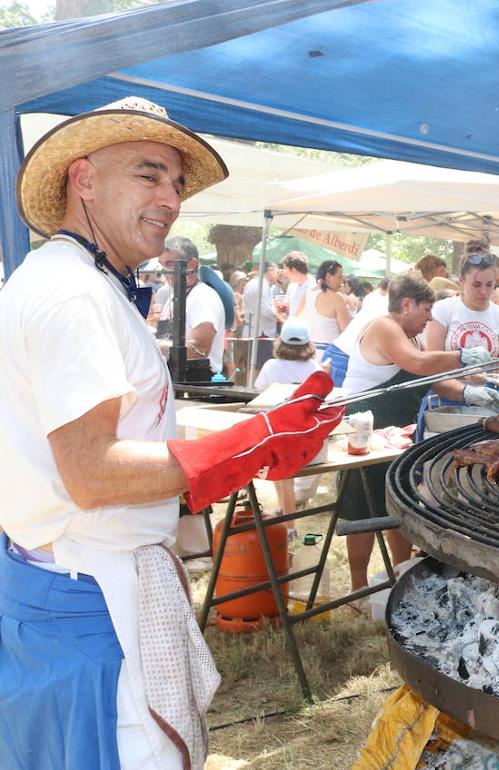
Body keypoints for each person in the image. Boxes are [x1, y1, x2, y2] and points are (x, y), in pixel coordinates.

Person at [0, 96, 341, 770]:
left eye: (177, 183)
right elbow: (92, 473)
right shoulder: (75, 294)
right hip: (92, 595)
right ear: (84, 178)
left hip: (59, 582)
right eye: (149, 175)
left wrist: (248, 437)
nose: (171, 198)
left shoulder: (72, 278)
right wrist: (243, 446)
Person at [337, 270, 499, 591]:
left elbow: (429, 378)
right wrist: (462, 356)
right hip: (364, 432)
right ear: (407, 304)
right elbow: (418, 363)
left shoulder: (410, 335)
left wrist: (467, 393)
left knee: (401, 508)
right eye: (427, 310)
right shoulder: (384, 326)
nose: (430, 317)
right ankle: (358, 590)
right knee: (360, 513)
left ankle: (398, 579)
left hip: (397, 435)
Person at [252, 319, 322, 516]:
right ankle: (285, 512)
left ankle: (289, 524)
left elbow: (258, 394)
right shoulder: (314, 367)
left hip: (276, 430)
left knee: (284, 479)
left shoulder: (271, 366)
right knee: (283, 478)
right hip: (305, 431)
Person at [426, 249, 499, 359]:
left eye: (489, 285)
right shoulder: (442, 309)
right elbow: (433, 361)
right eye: (476, 285)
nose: (483, 291)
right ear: (462, 281)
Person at [159, 236, 227, 374]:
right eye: (161, 264)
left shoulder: (203, 297)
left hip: (195, 387)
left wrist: (153, 345)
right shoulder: (175, 295)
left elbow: (199, 350)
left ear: (192, 264)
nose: (163, 271)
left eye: (170, 264)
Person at [296, 259, 351, 352]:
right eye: (340, 277)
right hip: (328, 354)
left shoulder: (306, 295)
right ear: (329, 276)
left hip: (306, 351)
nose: (342, 282)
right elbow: (347, 331)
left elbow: (296, 321)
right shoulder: (337, 298)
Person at [241, 260, 280, 369]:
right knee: (262, 367)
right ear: (270, 271)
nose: (278, 275)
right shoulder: (261, 285)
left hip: (254, 330)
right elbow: (266, 311)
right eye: (277, 272)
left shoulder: (253, 283)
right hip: (261, 333)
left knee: (254, 367)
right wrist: (279, 314)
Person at [280, 251, 310, 319]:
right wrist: (281, 310)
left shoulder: (314, 287)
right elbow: (286, 309)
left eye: (285, 269)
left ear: (294, 270)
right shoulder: (291, 286)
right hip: (293, 328)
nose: (284, 273)